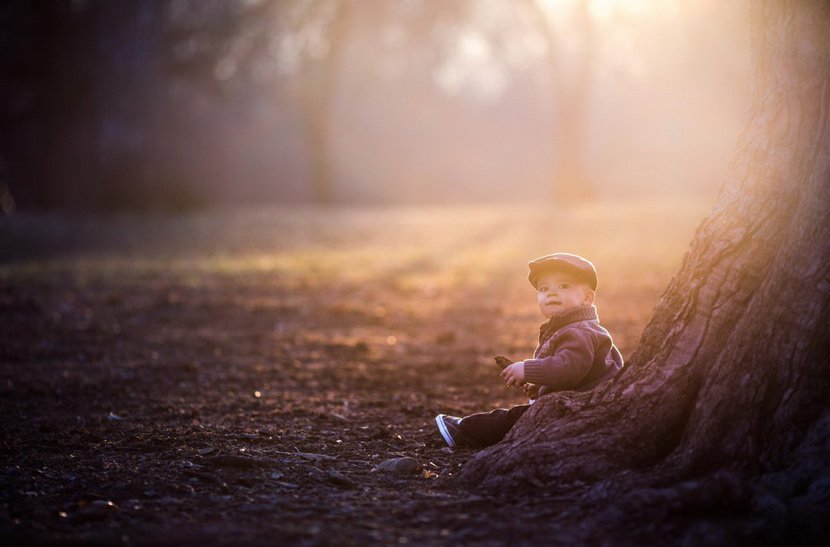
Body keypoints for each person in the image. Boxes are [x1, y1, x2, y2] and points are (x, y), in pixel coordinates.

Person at [435, 252, 623, 448]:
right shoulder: (571, 327)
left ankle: (464, 431)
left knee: (512, 419)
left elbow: (569, 369)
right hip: (577, 403)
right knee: (520, 417)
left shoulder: (580, 331)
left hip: (584, 409)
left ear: (587, 298)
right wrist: (540, 385)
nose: (551, 292)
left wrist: (528, 369)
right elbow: (573, 372)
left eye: (563, 286)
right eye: (544, 288)